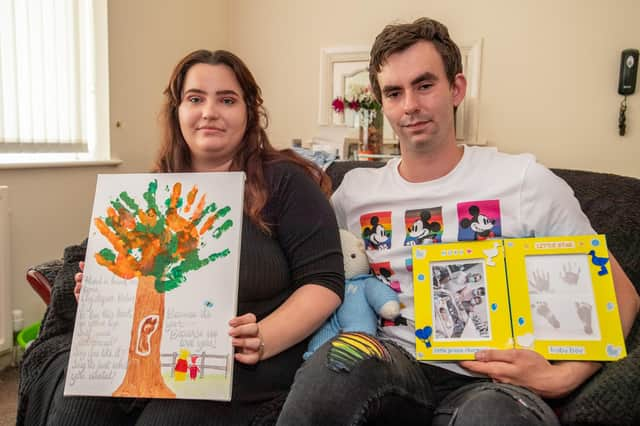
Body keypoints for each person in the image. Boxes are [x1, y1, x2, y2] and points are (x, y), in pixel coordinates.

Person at [276, 18, 640, 425]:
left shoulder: (523, 181)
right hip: (391, 366)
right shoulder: (354, 193)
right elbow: (312, 280)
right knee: (336, 363)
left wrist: (563, 376)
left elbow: (621, 294)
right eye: (395, 92)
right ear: (383, 103)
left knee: (490, 415)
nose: (410, 105)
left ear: (457, 89)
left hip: (494, 381)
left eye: (425, 85)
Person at [18, 49, 344, 425]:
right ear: (177, 110)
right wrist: (99, 293)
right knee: (78, 408)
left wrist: (265, 336)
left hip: (245, 360)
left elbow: (325, 281)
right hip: (145, 349)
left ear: (249, 111)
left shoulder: (285, 181)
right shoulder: (151, 193)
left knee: (167, 418)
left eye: (227, 99)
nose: (209, 111)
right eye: (195, 99)